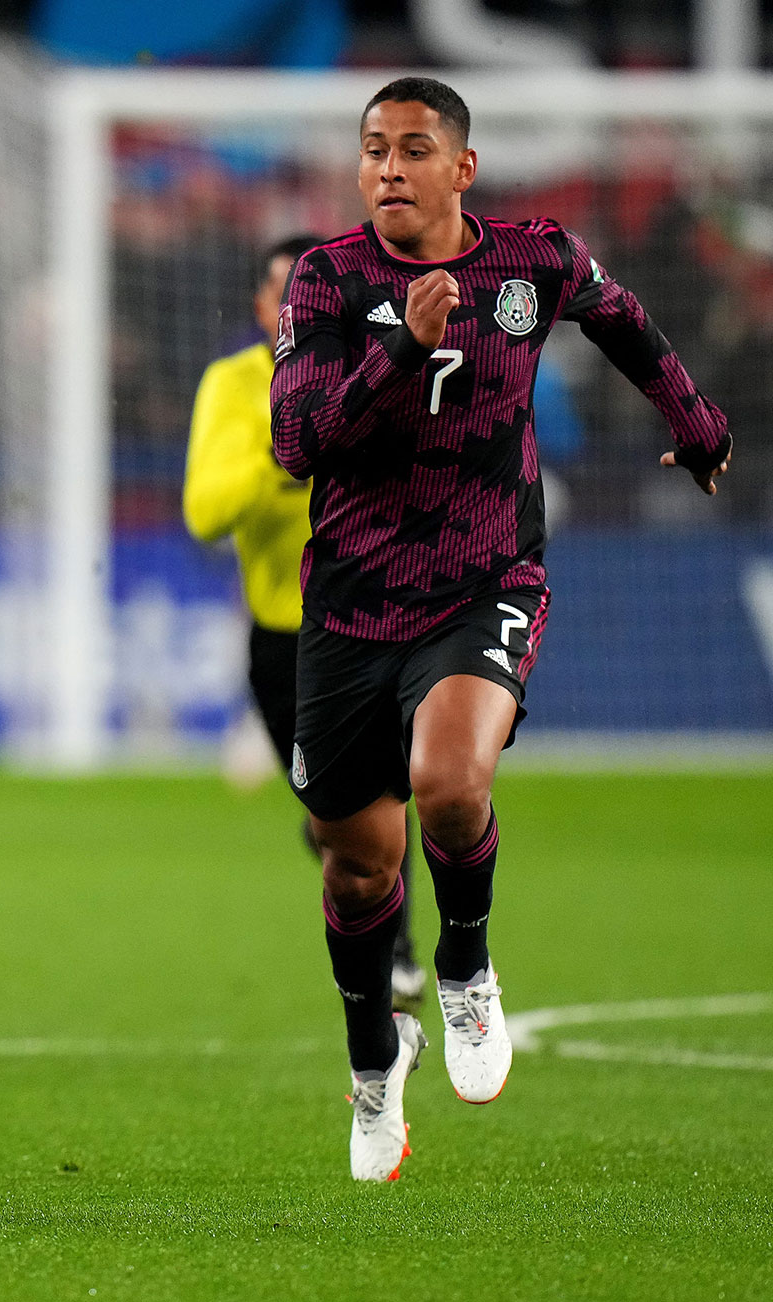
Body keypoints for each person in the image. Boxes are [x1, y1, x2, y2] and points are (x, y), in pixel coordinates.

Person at [270, 77, 732, 1181]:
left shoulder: (530, 261)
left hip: (484, 577)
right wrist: (394, 349)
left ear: (459, 167)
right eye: (373, 148)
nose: (386, 166)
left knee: (451, 781)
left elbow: (619, 316)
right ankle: (374, 1069)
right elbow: (296, 443)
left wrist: (694, 421)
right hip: (349, 604)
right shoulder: (324, 279)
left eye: (412, 147)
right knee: (353, 869)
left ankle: (465, 967)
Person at [184, 236, 425, 1011]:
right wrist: (281, 452)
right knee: (337, 818)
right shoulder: (234, 385)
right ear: (261, 307)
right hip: (284, 637)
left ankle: (400, 956)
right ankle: (332, 844)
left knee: (393, 787)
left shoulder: (381, 372)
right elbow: (203, 513)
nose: (300, 310)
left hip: (376, 615)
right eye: (285, 295)